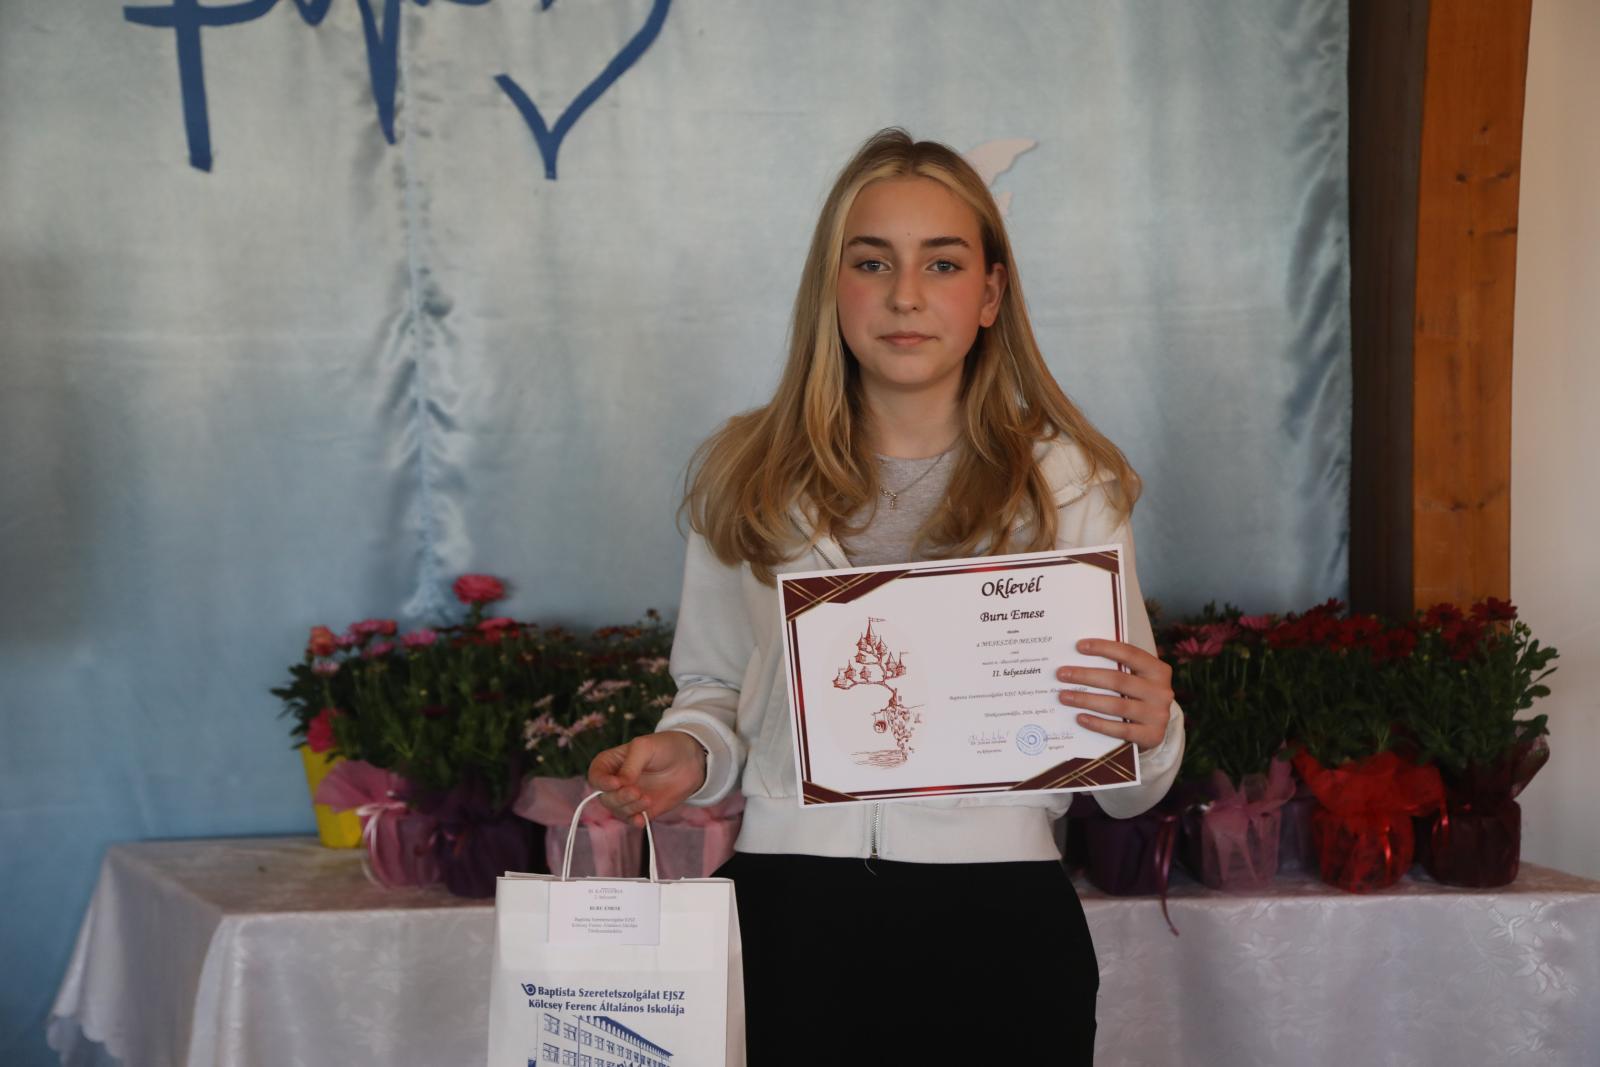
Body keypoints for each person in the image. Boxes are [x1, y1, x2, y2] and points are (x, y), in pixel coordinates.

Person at [587, 128, 1184, 1064]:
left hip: (1004, 928)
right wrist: (688, 751)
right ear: (832, 289)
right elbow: (714, 689)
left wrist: (1151, 730)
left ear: (990, 295)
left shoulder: (1069, 484)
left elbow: (1123, 774)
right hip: (789, 916)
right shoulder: (749, 475)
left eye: (942, 263)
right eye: (872, 262)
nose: (906, 294)